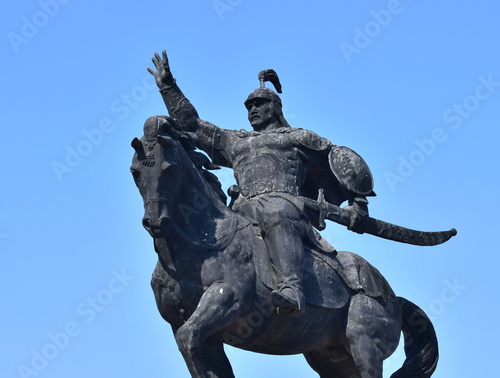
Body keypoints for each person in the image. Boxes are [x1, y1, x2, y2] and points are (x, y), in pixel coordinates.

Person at [148, 51, 375, 316]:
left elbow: (340, 158)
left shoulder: (297, 137)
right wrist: (168, 86)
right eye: (248, 106)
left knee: (275, 213)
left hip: (286, 205)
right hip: (243, 208)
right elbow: (194, 126)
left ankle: (292, 287)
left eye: (258, 104)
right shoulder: (236, 141)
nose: (252, 110)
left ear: (275, 107)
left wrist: (358, 203)